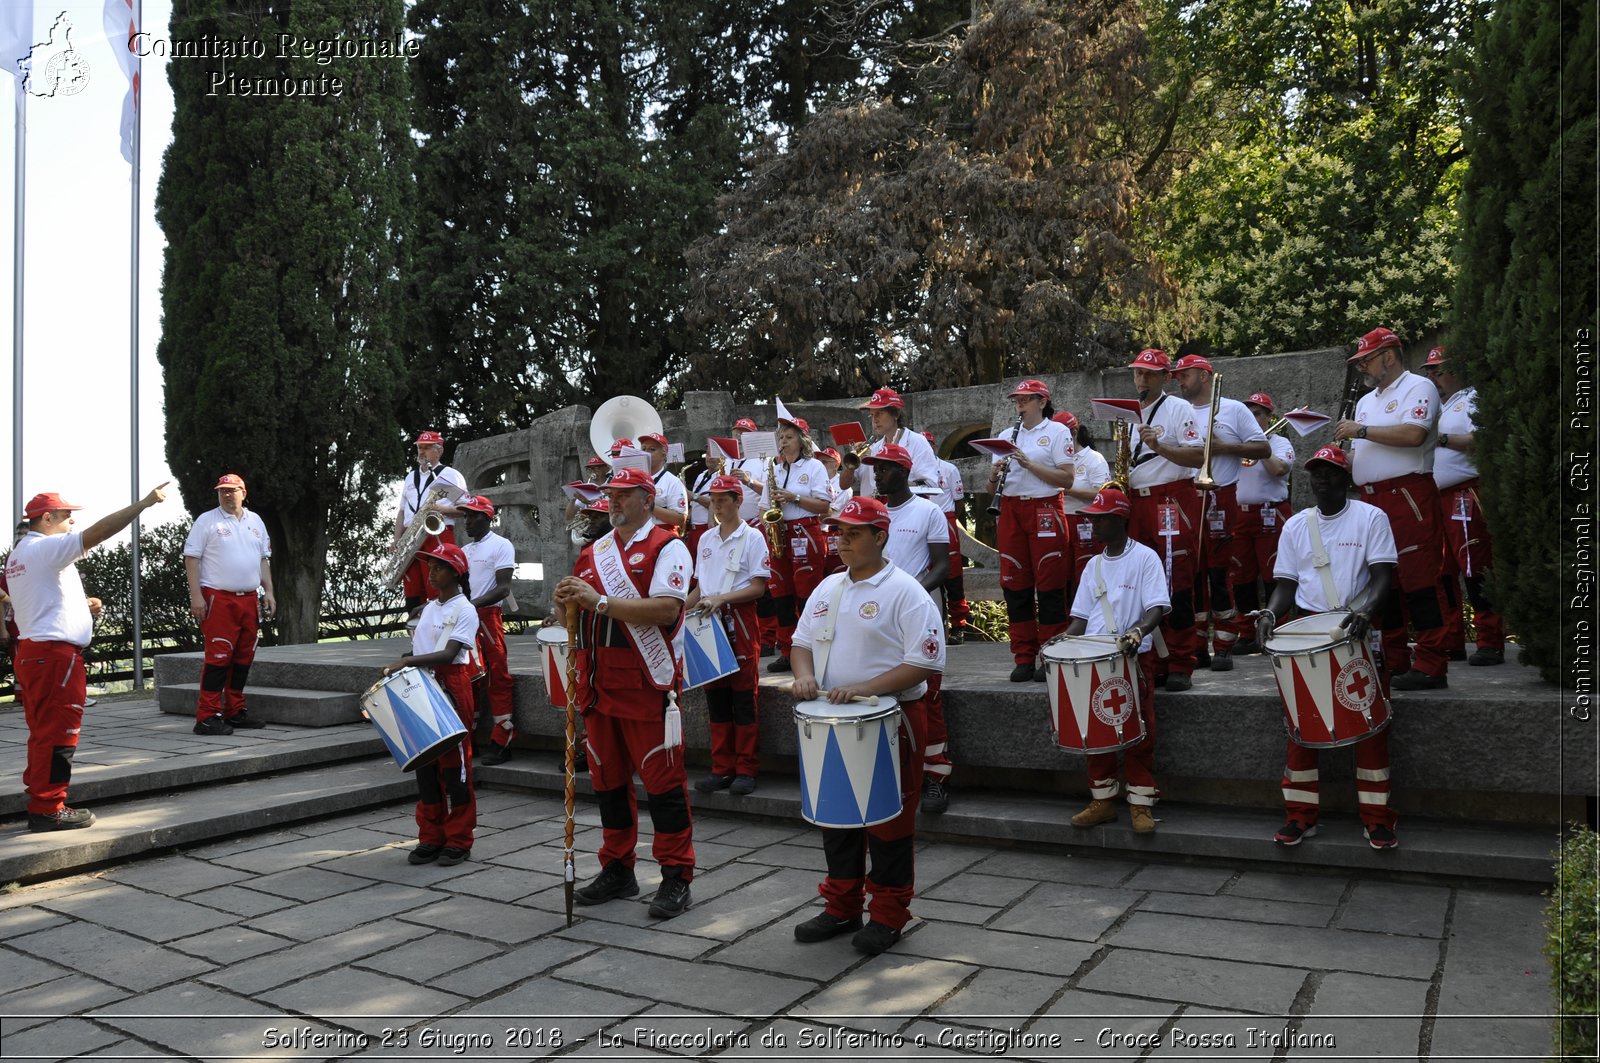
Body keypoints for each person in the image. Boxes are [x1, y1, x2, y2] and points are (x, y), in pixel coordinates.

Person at [790, 496, 945, 956]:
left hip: (892, 720)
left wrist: (865, 688)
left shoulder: (906, 591)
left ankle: (889, 914)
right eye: (839, 533)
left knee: (890, 822)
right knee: (837, 818)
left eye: (853, 533)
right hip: (834, 720)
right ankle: (841, 906)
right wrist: (803, 674)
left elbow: (924, 662)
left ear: (881, 537)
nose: (842, 541)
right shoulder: (827, 587)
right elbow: (800, 642)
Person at [553, 467, 697, 919]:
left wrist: (598, 600)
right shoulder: (595, 550)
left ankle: (677, 876)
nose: (613, 501)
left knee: (663, 785)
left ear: (647, 500)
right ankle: (618, 867)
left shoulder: (668, 546)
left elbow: (667, 609)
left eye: (623, 494)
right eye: (610, 494)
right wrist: (565, 605)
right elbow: (571, 619)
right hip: (596, 684)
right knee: (608, 783)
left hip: (644, 683)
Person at [1256, 445, 1400, 850]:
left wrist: (1368, 613)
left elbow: (1382, 576)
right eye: (1316, 473)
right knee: (1301, 728)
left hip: (1356, 634)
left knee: (1370, 726)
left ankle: (1377, 819)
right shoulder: (1296, 526)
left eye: (1331, 472)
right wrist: (1268, 615)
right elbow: (1285, 585)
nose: (1321, 479)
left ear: (1347, 478)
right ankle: (1300, 816)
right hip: (1308, 637)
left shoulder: (1371, 517)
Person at [7, 484, 168, 831]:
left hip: (37, 653)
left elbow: (42, 601)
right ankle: (49, 807)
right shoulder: (47, 546)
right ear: (46, 518)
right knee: (61, 732)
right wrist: (143, 504)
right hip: (55, 657)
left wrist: (82, 608)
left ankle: (41, 797)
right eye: (66, 517)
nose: (71, 522)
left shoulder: (20, 554)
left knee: (42, 732)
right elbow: (96, 533)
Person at [1333, 327, 1451, 691]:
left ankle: (1432, 663)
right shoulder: (1368, 400)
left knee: (1420, 579)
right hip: (1372, 499)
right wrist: (1341, 458)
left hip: (1408, 494)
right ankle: (1395, 658)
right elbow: (1367, 449)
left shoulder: (1419, 386)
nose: (1362, 368)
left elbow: (1414, 434)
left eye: (1366, 360)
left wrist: (1361, 431)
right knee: (1385, 582)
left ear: (1388, 355)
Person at [1062, 488, 1171, 834]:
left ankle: (1140, 803)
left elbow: (1156, 608)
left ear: (1119, 519)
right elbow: (1080, 618)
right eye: (1092, 518)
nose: (1093, 525)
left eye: (1100, 519)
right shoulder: (1093, 565)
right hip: (1094, 658)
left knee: (1140, 730)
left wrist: (1138, 632)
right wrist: (1063, 641)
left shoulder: (1145, 558)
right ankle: (1103, 800)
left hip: (1132, 658)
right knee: (1096, 732)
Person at [381, 544, 480, 866]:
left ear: (455, 572)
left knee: (455, 767)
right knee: (425, 765)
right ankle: (431, 836)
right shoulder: (429, 608)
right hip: (422, 683)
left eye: (438, 567)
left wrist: (407, 660)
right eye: (431, 566)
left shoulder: (465, 609)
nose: (431, 572)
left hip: (451, 684)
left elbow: (451, 654)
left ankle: (459, 839)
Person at [1170, 354, 1269, 672]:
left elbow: (1262, 448)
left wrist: (1225, 447)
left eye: (1185, 375)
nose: (1181, 382)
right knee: (1192, 573)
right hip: (1187, 496)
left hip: (1221, 495)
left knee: (1220, 572)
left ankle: (1225, 642)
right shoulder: (1177, 411)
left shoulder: (1234, 409)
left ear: (1203, 375)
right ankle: (1198, 644)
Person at [874, 445, 953, 814]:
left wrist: (905, 594)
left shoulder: (928, 511)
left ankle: (936, 778)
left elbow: (942, 567)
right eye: (875, 469)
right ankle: (897, 775)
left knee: (928, 697)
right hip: (877, 618)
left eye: (884, 469)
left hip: (919, 615)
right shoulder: (871, 515)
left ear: (904, 472)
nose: (876, 475)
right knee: (884, 695)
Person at [985, 379, 1076, 683]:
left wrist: (1029, 465)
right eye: (1017, 399)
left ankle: (1050, 654)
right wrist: (994, 476)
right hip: (1011, 509)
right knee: (1015, 584)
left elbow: (1067, 479)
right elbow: (990, 488)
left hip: (1044, 507)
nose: (1020, 404)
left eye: (1026, 399)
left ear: (1042, 401)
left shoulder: (1057, 432)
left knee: (1049, 584)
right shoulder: (1004, 436)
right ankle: (1023, 656)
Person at [1125, 349, 1203, 692]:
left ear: (1163, 377)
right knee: (1144, 582)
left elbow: (1199, 454)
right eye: (1138, 373)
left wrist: (1161, 447)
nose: (1142, 379)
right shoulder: (1128, 414)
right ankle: (1154, 658)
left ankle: (1182, 661)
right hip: (1137, 502)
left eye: (1149, 374)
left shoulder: (1178, 409)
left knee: (1176, 578)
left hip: (1171, 498)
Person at [688, 474, 771, 796]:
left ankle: (747, 769)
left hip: (739, 618)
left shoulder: (753, 538)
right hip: (707, 621)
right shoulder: (706, 539)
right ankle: (722, 768)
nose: (718, 505)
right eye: (714, 499)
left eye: (724, 499)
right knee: (716, 698)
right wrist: (678, 611)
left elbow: (758, 587)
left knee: (743, 699)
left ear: (738, 501)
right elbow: (699, 587)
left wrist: (722, 598)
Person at [1425, 346, 1504, 666]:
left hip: (1465, 493)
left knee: (1475, 566)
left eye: (1438, 370)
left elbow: (1482, 441)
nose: (1433, 377)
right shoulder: (1438, 407)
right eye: (1429, 371)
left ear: (1458, 370)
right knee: (1441, 572)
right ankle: (1451, 639)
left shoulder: (1474, 399)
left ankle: (1490, 640)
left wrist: (1439, 439)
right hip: (1437, 498)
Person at [183, 473, 277, 736]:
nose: (226, 494)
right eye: (222, 490)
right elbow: (191, 559)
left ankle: (235, 710)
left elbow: (263, 560)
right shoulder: (207, 521)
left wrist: (268, 591)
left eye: (232, 490)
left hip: (248, 599)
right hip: (218, 598)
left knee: (244, 657)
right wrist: (196, 596)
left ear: (243, 493)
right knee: (219, 657)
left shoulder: (256, 521)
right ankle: (207, 716)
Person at [762, 415, 833, 674]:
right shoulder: (774, 469)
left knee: (806, 594)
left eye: (789, 437)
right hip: (780, 533)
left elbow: (824, 506)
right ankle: (786, 651)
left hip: (806, 531)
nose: (783, 441)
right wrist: (770, 527)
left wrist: (794, 497)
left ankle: (812, 650)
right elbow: (763, 507)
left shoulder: (814, 467)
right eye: (781, 437)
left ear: (802, 441)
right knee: (781, 596)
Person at [1230, 394, 1296, 655]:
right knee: (1240, 577)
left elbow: (1279, 469)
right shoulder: (1236, 444)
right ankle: (1246, 632)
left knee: (1274, 573)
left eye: (1259, 413)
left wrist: (1261, 447)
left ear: (1270, 416)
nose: (1254, 418)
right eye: (1250, 413)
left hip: (1271, 514)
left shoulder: (1280, 442)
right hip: (1239, 516)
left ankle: (1277, 630)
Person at [459, 495, 518, 765]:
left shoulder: (501, 545)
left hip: (488, 616)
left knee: (497, 675)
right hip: (466, 617)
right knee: (469, 677)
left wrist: (472, 605)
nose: (467, 522)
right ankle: (466, 737)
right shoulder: (465, 550)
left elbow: (503, 588)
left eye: (473, 516)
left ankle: (502, 738)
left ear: (487, 517)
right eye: (466, 517)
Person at [394, 431, 469, 616]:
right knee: (412, 589)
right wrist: (396, 539)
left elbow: (466, 508)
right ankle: (416, 637)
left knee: (437, 586)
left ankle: (442, 634)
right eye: (419, 447)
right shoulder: (410, 477)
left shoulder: (449, 475)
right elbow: (403, 511)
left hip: (437, 534)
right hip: (410, 537)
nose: (421, 452)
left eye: (426, 448)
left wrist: (441, 509)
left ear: (439, 451)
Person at [837, 387, 939, 499]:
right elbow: (843, 485)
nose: (875, 420)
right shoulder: (874, 448)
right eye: (872, 415)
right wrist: (851, 464)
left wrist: (893, 485)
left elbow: (931, 486)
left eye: (879, 413)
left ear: (896, 414)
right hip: (874, 513)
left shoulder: (917, 442)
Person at [923, 431, 971, 643]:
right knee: (923, 571)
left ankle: (958, 626)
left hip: (945, 520)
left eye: (927, 444)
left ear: (933, 446)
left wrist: (946, 521)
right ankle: (931, 625)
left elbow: (959, 501)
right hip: (919, 522)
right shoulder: (909, 470)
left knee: (952, 574)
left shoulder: (948, 469)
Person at [1057, 413, 1111, 588]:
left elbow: (1102, 493)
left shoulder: (1093, 458)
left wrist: (1069, 491)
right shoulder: (1053, 460)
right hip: (1060, 520)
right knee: (1061, 572)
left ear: (1074, 433)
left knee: (1086, 572)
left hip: (1085, 520)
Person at [638, 432, 689, 530]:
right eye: (643, 449)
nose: (646, 453)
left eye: (652, 449)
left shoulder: (673, 482)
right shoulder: (635, 479)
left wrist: (648, 506)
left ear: (664, 453)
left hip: (663, 534)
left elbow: (680, 519)